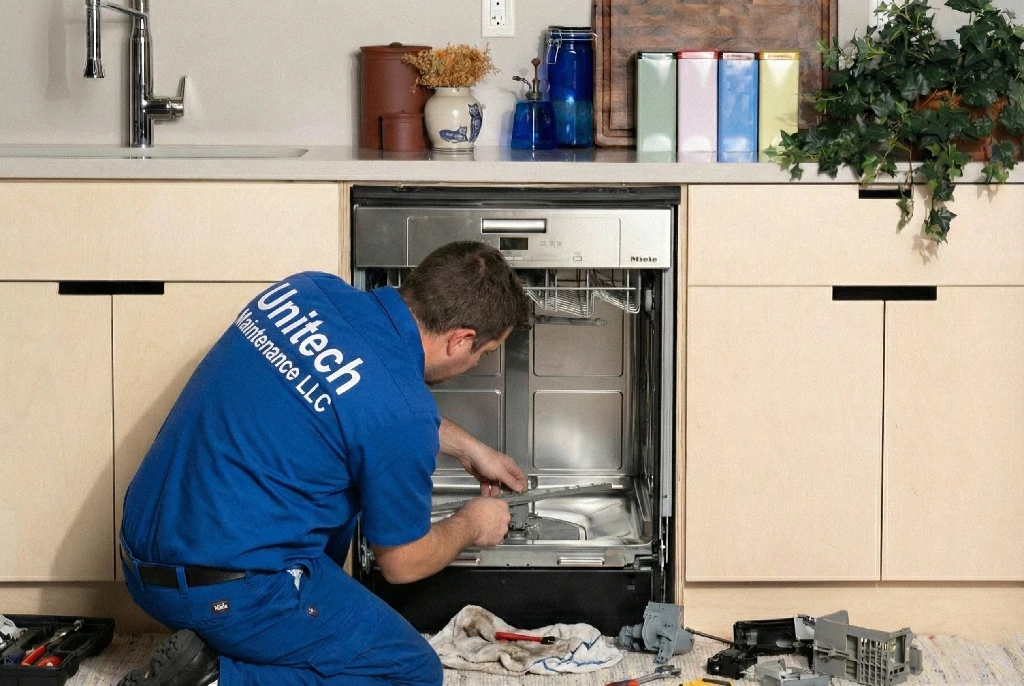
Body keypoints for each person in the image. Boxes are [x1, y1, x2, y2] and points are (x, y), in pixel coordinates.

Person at [117, 241, 531, 686]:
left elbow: (354, 402)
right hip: (226, 594)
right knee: (409, 672)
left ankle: (236, 645)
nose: (477, 362)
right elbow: (403, 563)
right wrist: (472, 523)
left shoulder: (304, 291)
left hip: (139, 558)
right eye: (484, 354)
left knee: (329, 476)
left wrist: (469, 448)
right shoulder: (403, 413)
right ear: (460, 340)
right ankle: (213, 678)